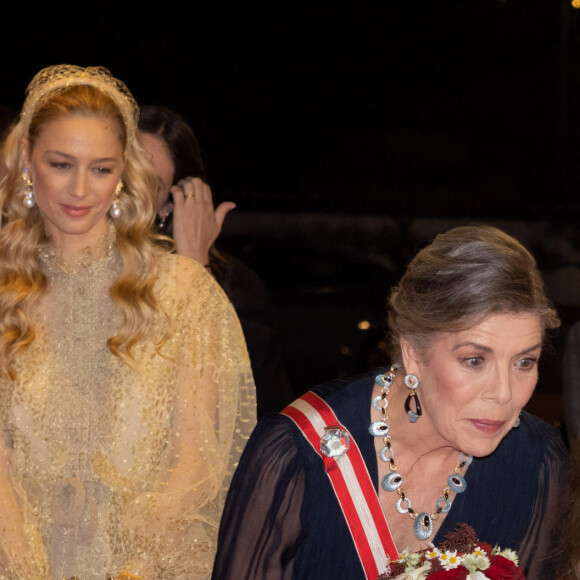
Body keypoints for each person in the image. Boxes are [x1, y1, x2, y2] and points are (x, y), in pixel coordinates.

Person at [0, 65, 256, 580]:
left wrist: (135, 566)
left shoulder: (183, 292)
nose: (79, 189)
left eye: (100, 168)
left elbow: (199, 460)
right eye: (60, 163)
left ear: (123, 172)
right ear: (28, 160)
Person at [212, 225, 568, 580]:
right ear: (413, 353)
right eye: (475, 360)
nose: (504, 394)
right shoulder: (297, 454)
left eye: (524, 362)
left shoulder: (537, 464)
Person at [138, 105, 294, 417]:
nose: (127, 191)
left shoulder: (234, 287)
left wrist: (194, 268)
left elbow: (249, 418)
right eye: (115, 171)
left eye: (148, 183)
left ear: (170, 206)